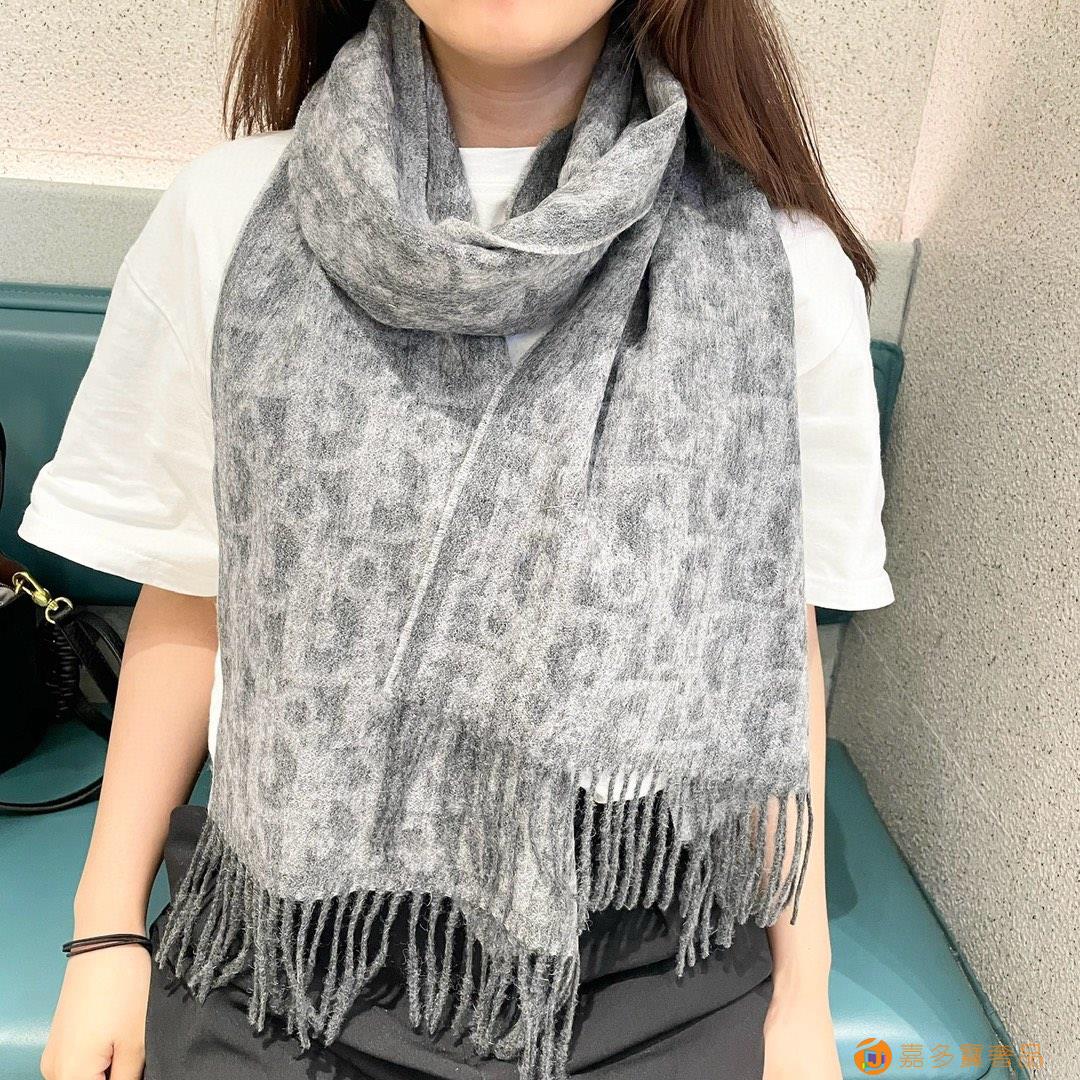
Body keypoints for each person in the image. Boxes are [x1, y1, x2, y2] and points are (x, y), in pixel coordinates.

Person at [21, 1, 894, 1078]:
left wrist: (802, 996)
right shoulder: (231, 214)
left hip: (648, 947)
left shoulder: (775, 267)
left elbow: (766, 652)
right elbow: (197, 592)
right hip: (287, 938)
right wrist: (105, 931)